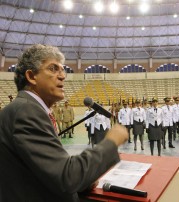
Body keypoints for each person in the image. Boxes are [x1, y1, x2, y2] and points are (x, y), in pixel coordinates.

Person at [0, 44, 128, 202]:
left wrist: (83, 182)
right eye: (53, 69)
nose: (62, 76)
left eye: (62, 69)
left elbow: (44, 171)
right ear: (32, 76)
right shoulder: (27, 111)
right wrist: (111, 142)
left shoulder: (28, 108)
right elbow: (66, 177)